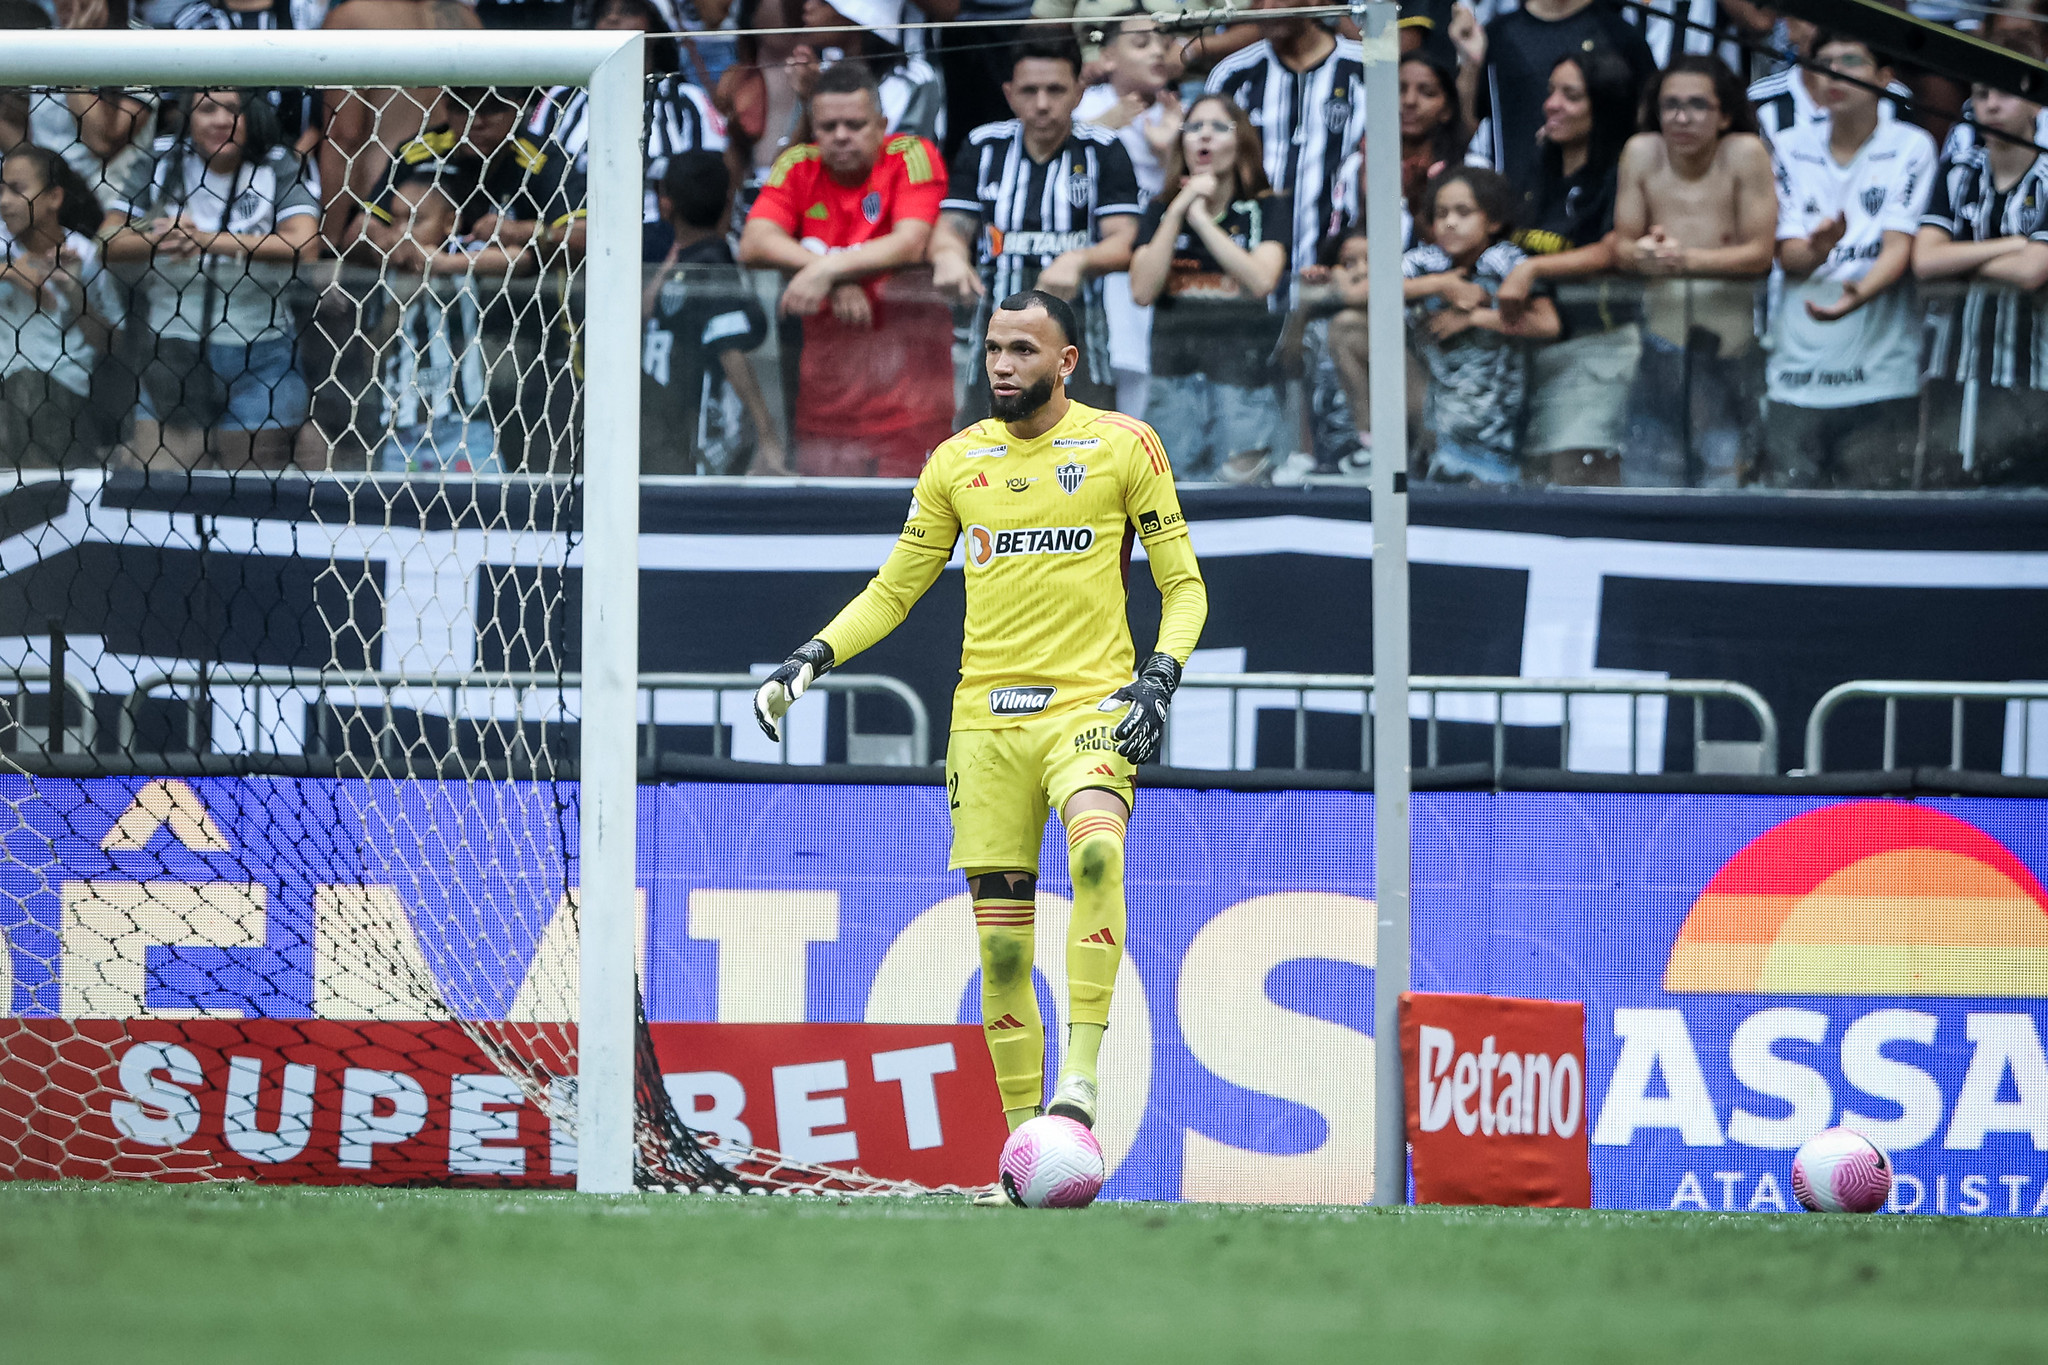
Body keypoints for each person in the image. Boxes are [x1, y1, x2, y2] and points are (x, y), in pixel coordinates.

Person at [750, 289, 1207, 1178]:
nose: (1002, 364)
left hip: (1091, 710)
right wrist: (812, 656)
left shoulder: (1124, 446)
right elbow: (895, 590)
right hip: (984, 727)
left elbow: (1183, 585)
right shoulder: (956, 462)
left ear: (1066, 361)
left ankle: (1078, 1080)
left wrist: (1157, 679)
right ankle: (1028, 1155)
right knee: (1001, 946)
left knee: (1099, 858)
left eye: (1023, 350)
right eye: (994, 348)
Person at [738, 61, 952, 476]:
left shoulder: (910, 153)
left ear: (881, 123)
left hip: (911, 404)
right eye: (828, 125)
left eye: (854, 124)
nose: (840, 136)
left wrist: (825, 271)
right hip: (825, 405)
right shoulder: (798, 164)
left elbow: (910, 242)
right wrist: (831, 275)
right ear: (813, 127)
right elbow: (754, 242)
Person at [105, 88, 320, 471]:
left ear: (251, 118)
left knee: (253, 495)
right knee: (163, 489)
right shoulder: (162, 159)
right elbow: (107, 242)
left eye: (233, 111)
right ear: (188, 116)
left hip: (261, 346)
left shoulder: (276, 163)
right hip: (173, 347)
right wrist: (160, 239)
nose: (221, 120)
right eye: (207, 109)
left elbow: (305, 245)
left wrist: (205, 241)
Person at [930, 38, 1141, 420]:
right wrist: (948, 256)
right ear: (1010, 94)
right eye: (1030, 90)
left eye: (1056, 90)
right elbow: (950, 230)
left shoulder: (1104, 149)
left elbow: (1125, 239)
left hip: (1079, 345)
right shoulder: (983, 146)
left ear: (1078, 93)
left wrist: (1080, 260)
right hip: (993, 346)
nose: (1042, 103)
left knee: (1086, 460)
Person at [1764, 34, 1936, 488]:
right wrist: (1819, 249)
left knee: (1879, 516)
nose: (1834, 72)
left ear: (1885, 77)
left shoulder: (1912, 146)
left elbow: (1899, 248)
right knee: (1789, 516)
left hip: (1881, 368)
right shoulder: (1787, 145)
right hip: (1797, 367)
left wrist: (1855, 294)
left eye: (1852, 61)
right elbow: (1789, 256)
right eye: (1823, 63)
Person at [1612, 56, 1777, 486]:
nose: (1681, 117)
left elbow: (1760, 254)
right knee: (1647, 488)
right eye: (1670, 105)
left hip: (1729, 358)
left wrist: (1680, 260)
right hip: (1658, 351)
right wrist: (1642, 253)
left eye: (1697, 105)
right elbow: (1622, 244)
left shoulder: (1745, 153)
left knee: (1727, 492)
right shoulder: (1641, 152)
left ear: (1724, 115)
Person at [1128, 95, 1291, 481]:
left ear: (1241, 142)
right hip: (1173, 378)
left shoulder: (1268, 208)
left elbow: (1261, 281)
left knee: (1243, 492)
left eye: (1218, 127)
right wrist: (1180, 207)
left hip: (1243, 381)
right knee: (1172, 490)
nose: (1204, 136)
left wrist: (1201, 221)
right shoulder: (1159, 211)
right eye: (1194, 127)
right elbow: (1142, 290)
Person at [1500, 48, 1637, 484]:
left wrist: (1532, 271)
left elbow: (1617, 247)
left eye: (1571, 96)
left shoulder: (1623, 167)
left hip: (1597, 345)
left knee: (1574, 480)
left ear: (1605, 106)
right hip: (1532, 349)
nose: (1552, 104)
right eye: (1551, 92)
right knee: (1536, 480)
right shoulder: (1540, 163)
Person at [1916, 48, 2048, 485]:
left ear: (2037, 104)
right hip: (1955, 366)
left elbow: (2034, 271)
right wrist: (2010, 245)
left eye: (2006, 93)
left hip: (2033, 373)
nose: (1990, 104)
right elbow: (1925, 260)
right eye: (1981, 92)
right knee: (1951, 495)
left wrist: (1962, 260)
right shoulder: (1960, 169)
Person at [526, 0, 726, 261]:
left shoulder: (689, 102)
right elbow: (532, 167)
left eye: (629, 11)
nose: (612, 19)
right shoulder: (562, 99)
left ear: (655, 27)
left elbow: (712, 181)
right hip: (575, 236)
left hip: (665, 238)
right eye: (604, 12)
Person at [1401, 166, 1561, 482]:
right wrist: (1441, 286)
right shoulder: (1427, 264)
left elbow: (1548, 324)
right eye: (1441, 213)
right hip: (1438, 430)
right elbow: (1370, 289)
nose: (1449, 222)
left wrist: (1473, 318)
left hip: (1496, 437)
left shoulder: (1508, 262)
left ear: (1493, 220)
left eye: (1464, 212)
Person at [1204, 0, 1367, 281]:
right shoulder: (1232, 75)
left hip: (1341, 265)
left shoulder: (1367, 69)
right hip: (1248, 264)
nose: (1268, 7)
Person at [642, 151, 782, 474]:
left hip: (700, 428)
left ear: (666, 204)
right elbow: (645, 313)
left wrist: (766, 434)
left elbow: (729, 348)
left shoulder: (713, 264)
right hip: (665, 421)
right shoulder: (680, 261)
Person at [1076, 5, 1182, 416]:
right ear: (1107, 58)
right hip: (1102, 258)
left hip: (1156, 259)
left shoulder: (1172, 113)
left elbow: (1177, 193)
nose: (1157, 51)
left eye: (1163, 41)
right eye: (1141, 43)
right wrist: (1103, 126)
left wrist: (1170, 147)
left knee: (1143, 373)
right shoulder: (1087, 109)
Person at [361, 174, 501, 474]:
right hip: (403, 433)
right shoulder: (385, 275)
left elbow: (523, 259)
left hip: (463, 426)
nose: (403, 231)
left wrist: (444, 265)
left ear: (450, 223)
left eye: (416, 220)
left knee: (485, 512)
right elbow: (372, 351)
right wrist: (398, 305)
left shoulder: (465, 257)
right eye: (396, 221)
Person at [0, 145, 122, 467]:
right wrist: (11, 272)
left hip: (62, 397)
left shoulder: (84, 255)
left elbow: (109, 343)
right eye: (1, 190)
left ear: (54, 197)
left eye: (17, 190)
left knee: (31, 387)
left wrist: (72, 290)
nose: (4, 202)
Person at [1459, 0, 1655, 196]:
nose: (1552, 104)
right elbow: (1467, 126)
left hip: (1597, 202)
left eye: (1572, 95)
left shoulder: (1620, 37)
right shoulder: (1499, 33)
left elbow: (1646, 126)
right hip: (1515, 200)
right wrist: (1470, 64)